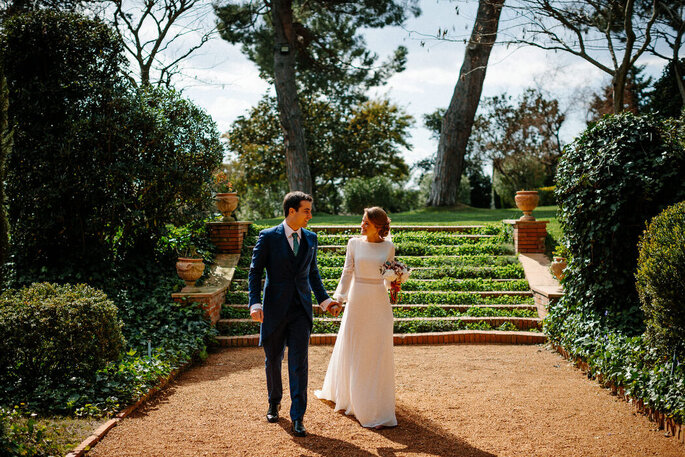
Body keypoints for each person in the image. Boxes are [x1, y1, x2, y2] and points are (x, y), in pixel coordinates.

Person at [248, 191, 341, 437]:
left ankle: (298, 416)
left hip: (301, 310)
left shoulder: (311, 238)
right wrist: (255, 303)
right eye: (306, 210)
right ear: (292, 211)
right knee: (273, 360)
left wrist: (325, 301)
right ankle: (273, 401)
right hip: (273, 310)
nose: (310, 215)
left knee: (299, 364)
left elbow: (313, 273)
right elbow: (255, 272)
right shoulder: (268, 237)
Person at [314, 206, 397, 429]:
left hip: (379, 303)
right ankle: (356, 401)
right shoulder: (354, 243)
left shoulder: (389, 247)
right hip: (358, 301)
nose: (362, 225)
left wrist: (396, 282)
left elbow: (387, 279)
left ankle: (376, 403)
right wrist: (339, 299)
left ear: (378, 227)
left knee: (376, 350)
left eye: (366, 222)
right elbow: (347, 272)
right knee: (356, 348)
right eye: (362, 221)